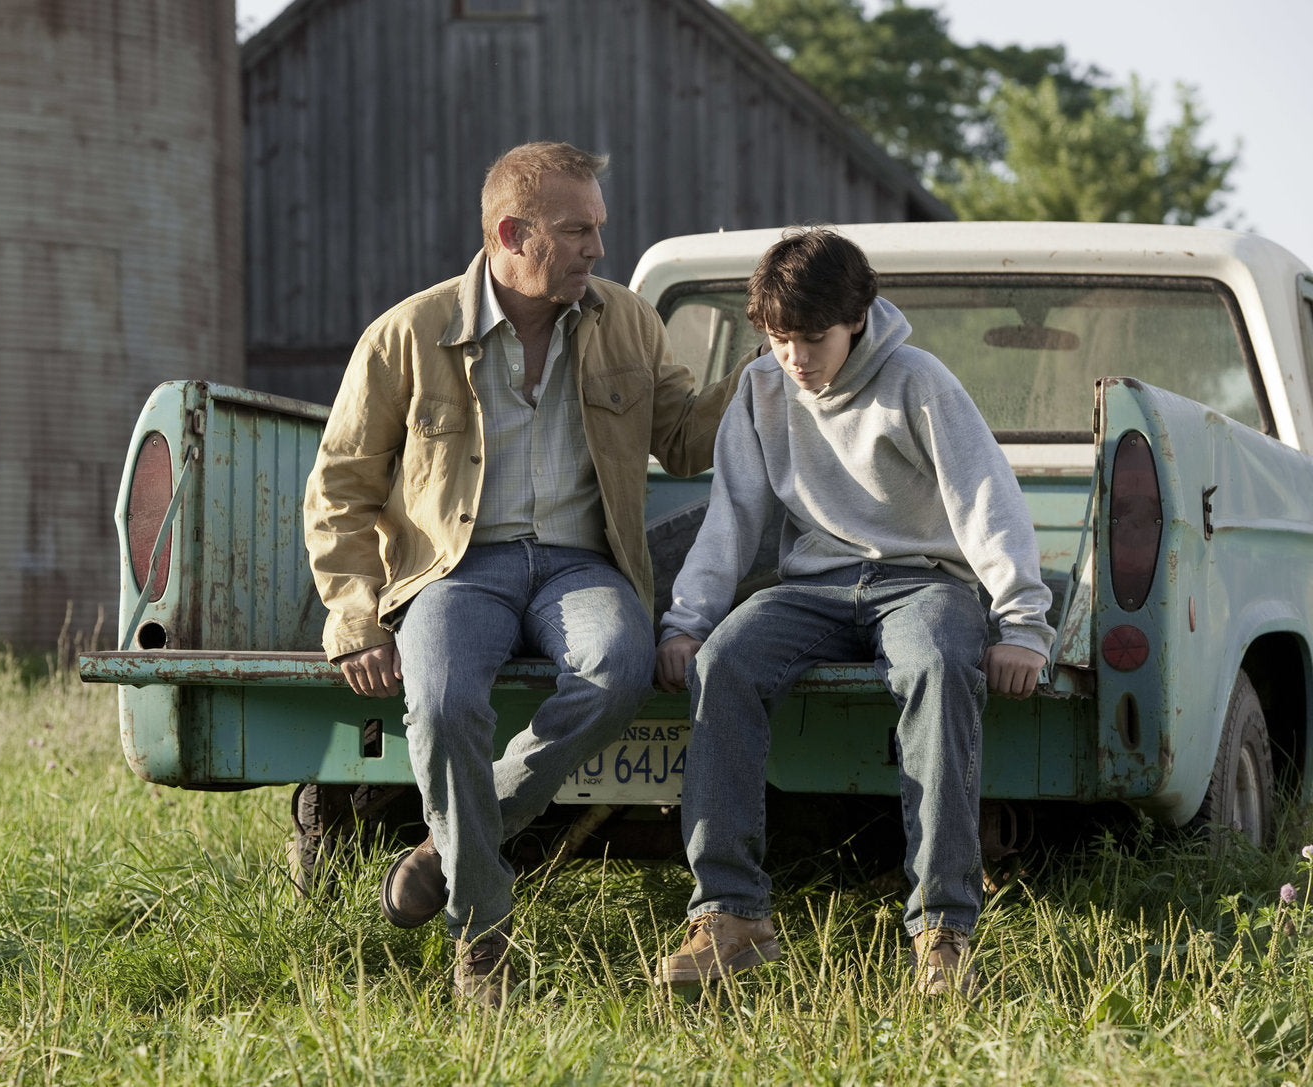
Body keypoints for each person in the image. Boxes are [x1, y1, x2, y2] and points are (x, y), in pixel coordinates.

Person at [302, 141, 749, 1006]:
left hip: (583, 565)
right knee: (441, 703)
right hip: (455, 570)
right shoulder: (407, 332)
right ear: (512, 233)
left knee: (618, 665)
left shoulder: (627, 321)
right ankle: (481, 939)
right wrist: (354, 613)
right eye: (577, 231)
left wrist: (769, 362)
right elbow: (340, 487)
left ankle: (449, 849)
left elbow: (687, 438)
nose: (598, 249)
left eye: (598, 229)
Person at [651, 227, 1054, 996]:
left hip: (923, 582)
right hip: (815, 587)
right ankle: (731, 916)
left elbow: (985, 502)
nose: (796, 358)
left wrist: (1023, 625)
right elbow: (732, 516)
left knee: (937, 665)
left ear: (857, 317)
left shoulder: (917, 381)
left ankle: (943, 930)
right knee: (723, 661)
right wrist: (687, 621)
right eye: (780, 340)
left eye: (812, 339)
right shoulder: (761, 388)